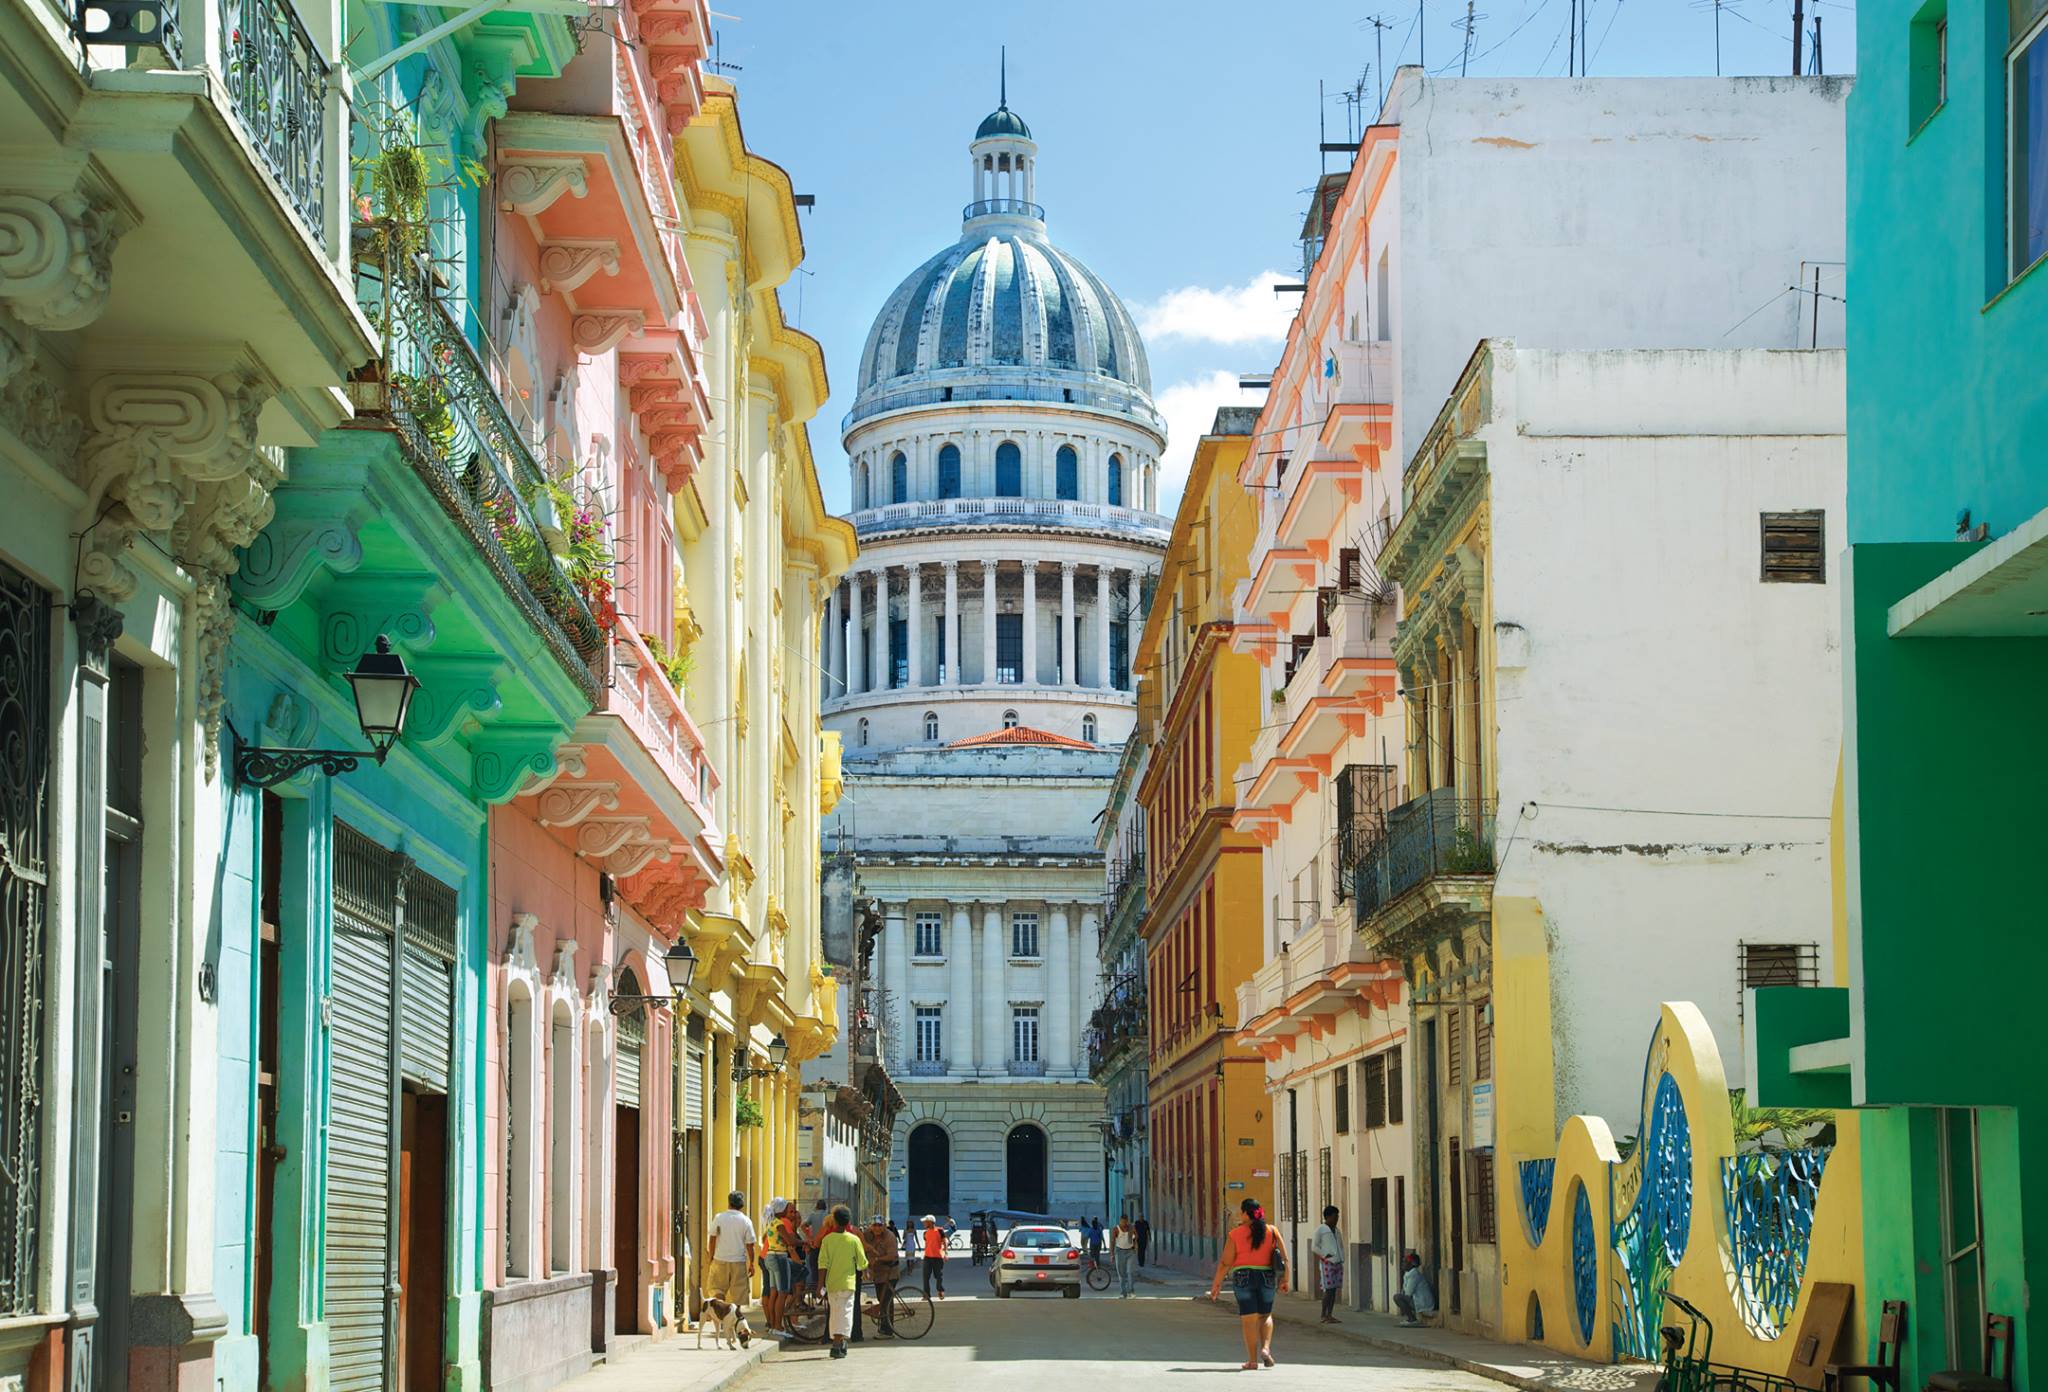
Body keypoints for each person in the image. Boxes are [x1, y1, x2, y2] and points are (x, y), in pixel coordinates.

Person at [1207, 1197, 1288, 1370]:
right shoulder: (1272, 1231)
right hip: (1267, 1276)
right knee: (1265, 1315)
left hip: (1243, 1277)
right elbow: (1285, 1258)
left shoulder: (1235, 1234)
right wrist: (1285, 1279)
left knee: (1249, 1320)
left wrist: (1216, 1285)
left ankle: (1252, 1361)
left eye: (1241, 1211)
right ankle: (1266, 1349)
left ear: (1245, 1213)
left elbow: (1225, 1263)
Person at [816, 1206, 869, 1359]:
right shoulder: (854, 1240)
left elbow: (822, 1264)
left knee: (835, 1312)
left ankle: (836, 1342)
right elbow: (862, 1262)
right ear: (848, 1222)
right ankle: (840, 1342)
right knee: (846, 1312)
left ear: (834, 1221)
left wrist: (820, 1285)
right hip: (848, 1284)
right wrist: (865, 1270)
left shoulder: (827, 1240)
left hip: (831, 1284)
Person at [706, 1190, 757, 1311]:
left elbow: (712, 1238)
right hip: (738, 1261)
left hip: (720, 1259)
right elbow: (750, 1245)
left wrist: (711, 1256)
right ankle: (734, 1319)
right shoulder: (746, 1221)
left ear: (729, 1203)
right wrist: (752, 1263)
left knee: (717, 1290)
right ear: (742, 1205)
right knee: (737, 1295)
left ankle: (720, 1316)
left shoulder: (719, 1218)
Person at [862, 1214, 902, 1338]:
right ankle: (884, 1326)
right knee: (881, 1299)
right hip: (878, 1274)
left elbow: (892, 1255)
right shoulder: (868, 1234)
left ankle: (887, 1330)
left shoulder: (890, 1237)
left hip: (890, 1272)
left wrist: (878, 1259)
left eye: (879, 1225)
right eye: (874, 1225)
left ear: (884, 1226)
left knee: (886, 1301)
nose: (877, 1228)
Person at [759, 1198, 794, 1333]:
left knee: (773, 1292)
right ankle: (778, 1325)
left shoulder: (771, 1222)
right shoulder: (780, 1223)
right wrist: (804, 1243)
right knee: (782, 1292)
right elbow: (790, 1240)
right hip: (778, 1257)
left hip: (769, 1256)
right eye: (787, 1209)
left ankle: (773, 1324)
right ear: (782, 1210)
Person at [1311, 1205, 1345, 1323]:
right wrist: (1325, 1255)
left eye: (1337, 1217)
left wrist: (1341, 1257)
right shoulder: (1320, 1230)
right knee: (1328, 1290)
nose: (1336, 1220)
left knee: (1334, 1290)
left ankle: (1329, 1314)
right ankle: (1323, 1315)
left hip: (1338, 1262)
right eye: (1335, 1217)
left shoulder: (1337, 1231)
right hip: (1328, 1264)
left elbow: (1340, 1245)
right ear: (1328, 1217)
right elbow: (1314, 1247)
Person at [1394, 1251, 1436, 1327]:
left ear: (1412, 1264)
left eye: (1405, 1262)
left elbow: (1408, 1293)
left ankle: (1412, 1319)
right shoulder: (1408, 1274)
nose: (1403, 1264)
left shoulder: (1414, 1274)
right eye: (1403, 1262)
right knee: (1399, 1297)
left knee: (1397, 1297)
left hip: (1423, 1303)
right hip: (1417, 1301)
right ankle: (1411, 1318)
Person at [1111, 1214, 1138, 1297]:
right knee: (1121, 1273)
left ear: (1127, 1221)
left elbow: (1136, 1236)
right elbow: (1112, 1241)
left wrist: (1135, 1244)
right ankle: (1123, 1292)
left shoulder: (1131, 1227)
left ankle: (1131, 1291)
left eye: (1125, 1222)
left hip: (1130, 1251)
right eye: (1122, 1222)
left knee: (1130, 1272)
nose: (1124, 1224)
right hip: (1119, 1252)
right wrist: (1112, 1254)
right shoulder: (1116, 1229)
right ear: (1120, 1221)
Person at [920, 1213, 947, 1297]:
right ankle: (926, 1294)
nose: (924, 1223)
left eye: (925, 1222)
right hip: (927, 1257)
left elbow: (945, 1240)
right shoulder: (925, 1233)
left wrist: (945, 1252)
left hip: (937, 1257)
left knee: (938, 1276)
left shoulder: (939, 1230)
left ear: (931, 1222)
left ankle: (940, 1290)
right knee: (925, 1276)